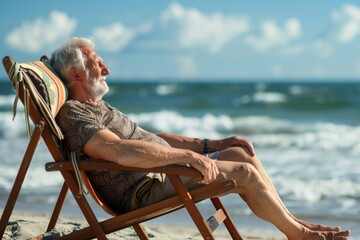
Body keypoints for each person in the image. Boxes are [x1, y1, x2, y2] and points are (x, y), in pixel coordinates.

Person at [51, 37, 350, 240]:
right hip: (143, 188)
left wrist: (213, 145)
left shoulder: (98, 106)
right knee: (243, 173)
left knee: (240, 154)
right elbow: (118, 151)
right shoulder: (75, 114)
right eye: (97, 64)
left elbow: (152, 138)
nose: (107, 70)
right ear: (76, 75)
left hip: (161, 173)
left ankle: (294, 223)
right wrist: (189, 157)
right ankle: (298, 235)